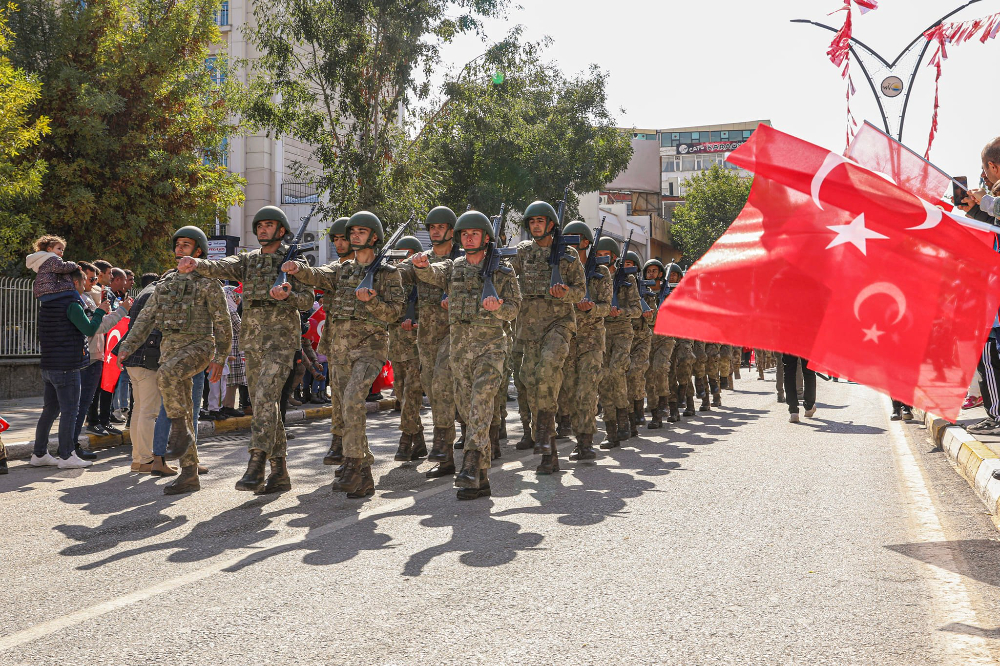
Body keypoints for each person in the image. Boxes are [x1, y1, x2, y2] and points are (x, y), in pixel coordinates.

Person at [178, 206, 313, 492]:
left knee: (264, 398)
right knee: (268, 405)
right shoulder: (248, 261)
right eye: (260, 225)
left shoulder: (294, 261)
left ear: (281, 230)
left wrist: (287, 294)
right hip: (252, 341)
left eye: (269, 225)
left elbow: (306, 300)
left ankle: (257, 460)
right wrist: (196, 264)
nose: (263, 229)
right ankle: (280, 472)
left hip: (281, 341)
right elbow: (220, 267)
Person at [282, 211, 404, 498]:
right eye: (353, 231)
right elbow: (317, 274)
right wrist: (297, 268)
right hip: (338, 351)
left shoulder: (388, 273)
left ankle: (352, 464)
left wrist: (372, 302)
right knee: (346, 410)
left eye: (362, 231)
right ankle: (364, 473)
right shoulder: (343, 270)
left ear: (374, 236)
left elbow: (395, 314)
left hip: (370, 349)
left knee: (352, 401)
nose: (355, 235)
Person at [412, 210, 521, 498]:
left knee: (480, 405)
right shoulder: (454, 267)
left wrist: (498, 307)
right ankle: (481, 478)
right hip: (459, 353)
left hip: (490, 349)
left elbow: (514, 308)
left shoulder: (502, 270)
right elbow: (433, 274)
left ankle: (470, 464)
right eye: (464, 233)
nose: (468, 237)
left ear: (486, 238)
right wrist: (421, 265)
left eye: (474, 233)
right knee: (467, 410)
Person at [119, 227, 231, 494]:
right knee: (184, 409)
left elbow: (223, 323)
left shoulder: (208, 283)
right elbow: (145, 319)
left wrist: (220, 357)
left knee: (166, 376)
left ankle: (178, 432)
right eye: (178, 245)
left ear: (198, 251)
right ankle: (189, 474)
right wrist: (127, 345)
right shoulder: (165, 285)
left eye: (186, 245)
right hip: (170, 351)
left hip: (200, 346)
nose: (180, 249)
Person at [510, 200, 585, 473]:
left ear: (551, 224)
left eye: (540, 221)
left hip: (559, 324)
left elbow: (580, 291)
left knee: (547, 369)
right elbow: (504, 276)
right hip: (529, 328)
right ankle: (548, 448)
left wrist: (565, 291)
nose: (535, 225)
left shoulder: (568, 255)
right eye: (531, 221)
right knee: (529, 380)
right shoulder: (522, 253)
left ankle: (544, 434)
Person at [401, 207, 462, 474]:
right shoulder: (419, 259)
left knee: (442, 383)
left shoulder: (461, 259)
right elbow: (399, 278)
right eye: (432, 228)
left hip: (456, 332)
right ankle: (446, 458)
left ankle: (462, 442)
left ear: (451, 230)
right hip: (425, 336)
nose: (435, 232)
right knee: (435, 391)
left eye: (440, 227)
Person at [32, 267, 109, 469]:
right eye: (83, 282)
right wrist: (100, 311)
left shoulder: (48, 303)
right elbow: (89, 329)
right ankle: (67, 455)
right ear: (74, 283)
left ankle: (39, 453)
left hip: (49, 364)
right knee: (70, 411)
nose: (85, 286)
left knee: (50, 410)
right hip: (67, 366)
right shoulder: (72, 303)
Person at [560, 221, 611, 460]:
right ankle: (577, 432)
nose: (570, 240)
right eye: (566, 236)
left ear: (586, 242)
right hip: (567, 337)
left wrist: (591, 308)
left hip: (591, 339)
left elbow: (607, 307)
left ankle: (585, 442)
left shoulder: (601, 272)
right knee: (570, 392)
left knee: (586, 390)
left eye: (575, 237)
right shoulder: (562, 269)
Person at [73, 261, 131, 460]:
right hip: (87, 354)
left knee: (89, 397)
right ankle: (71, 445)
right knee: (81, 402)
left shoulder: (91, 296)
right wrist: (115, 310)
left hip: (98, 351)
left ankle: (72, 444)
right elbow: (93, 327)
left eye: (97, 277)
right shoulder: (81, 299)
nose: (95, 282)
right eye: (91, 278)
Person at [121, 272, 171, 474]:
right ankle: (146, 459)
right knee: (149, 412)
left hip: (134, 358)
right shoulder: (157, 293)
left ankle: (138, 458)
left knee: (140, 409)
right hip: (146, 359)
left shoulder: (146, 291)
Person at [594, 236, 639, 447]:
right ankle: (610, 430)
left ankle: (624, 420)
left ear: (613, 257)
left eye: (605, 255)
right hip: (600, 332)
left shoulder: (627, 280)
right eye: (598, 255)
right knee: (604, 378)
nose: (601, 259)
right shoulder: (594, 277)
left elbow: (638, 310)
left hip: (622, 330)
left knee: (616, 371)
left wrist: (622, 311)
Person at [389, 235, 427, 462]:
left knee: (412, 394)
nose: (403, 260)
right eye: (400, 255)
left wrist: (417, 324)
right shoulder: (394, 283)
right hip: (396, 346)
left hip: (417, 346)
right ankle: (419, 440)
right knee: (402, 395)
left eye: (408, 254)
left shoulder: (425, 281)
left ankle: (405, 439)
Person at [642, 259, 675, 429]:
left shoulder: (668, 293)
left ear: (660, 274)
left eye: (654, 271)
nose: (651, 274)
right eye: (648, 271)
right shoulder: (642, 293)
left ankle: (664, 401)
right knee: (649, 377)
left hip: (665, 337)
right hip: (647, 338)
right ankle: (656, 414)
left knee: (660, 367)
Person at [624, 250, 654, 435]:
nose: (627, 268)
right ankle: (629, 419)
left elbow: (653, 320)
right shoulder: (616, 288)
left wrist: (649, 314)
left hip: (642, 339)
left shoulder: (646, 291)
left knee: (635, 372)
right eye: (625, 264)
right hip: (623, 338)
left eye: (631, 265)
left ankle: (638, 409)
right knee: (623, 377)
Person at [25, 235, 78, 301]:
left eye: (62, 250)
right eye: (59, 249)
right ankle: (85, 308)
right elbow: (62, 268)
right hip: (49, 290)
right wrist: (74, 265)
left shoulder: (44, 261)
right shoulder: (53, 258)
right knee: (72, 291)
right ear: (49, 249)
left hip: (40, 294)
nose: (61, 251)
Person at [782, 353, 817, 423]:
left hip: (789, 342)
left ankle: (793, 411)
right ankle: (809, 406)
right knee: (809, 371)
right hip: (807, 342)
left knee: (789, 371)